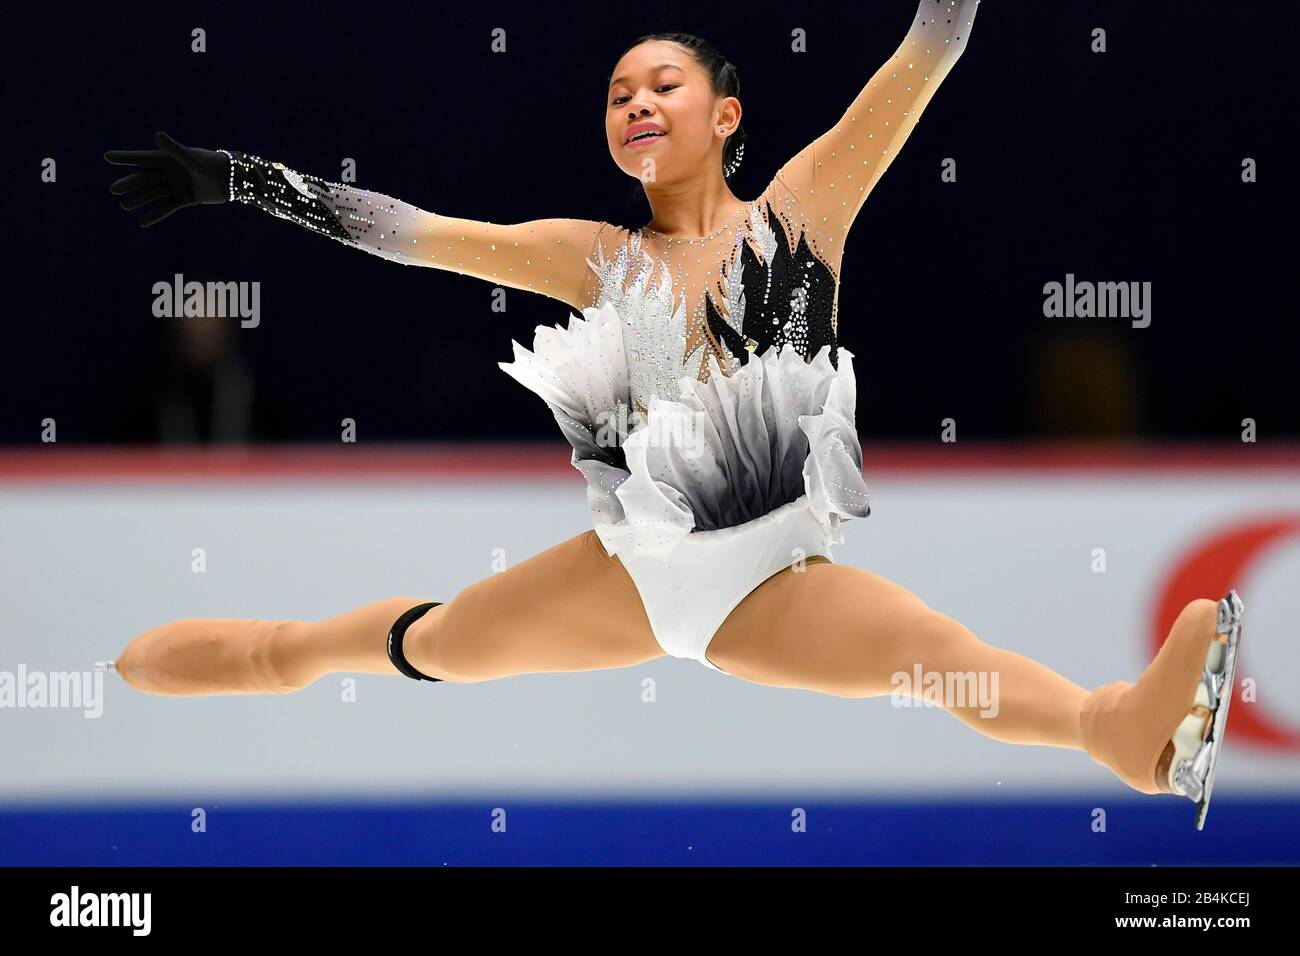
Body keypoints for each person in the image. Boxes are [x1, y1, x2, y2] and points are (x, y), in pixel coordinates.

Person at [101, 0, 1241, 829]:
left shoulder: (802, 212)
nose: (637, 100)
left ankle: (1117, 730)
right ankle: (269, 653)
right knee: (428, 641)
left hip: (773, 579)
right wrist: (244, 181)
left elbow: (933, 42)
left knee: (936, 655)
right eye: (617, 92)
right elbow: (416, 232)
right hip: (633, 571)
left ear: (724, 112)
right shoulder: (593, 257)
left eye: (662, 84)